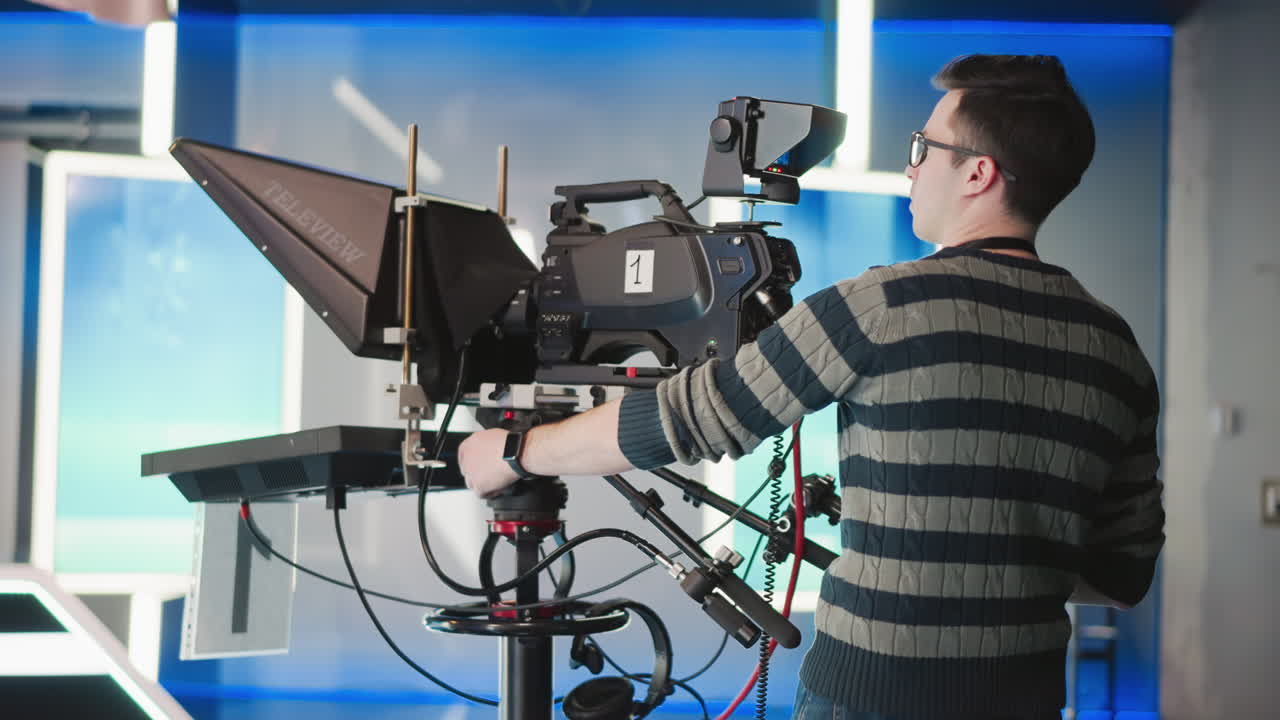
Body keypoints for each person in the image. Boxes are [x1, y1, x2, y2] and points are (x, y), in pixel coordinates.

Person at [458, 54, 1165, 720]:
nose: (911, 169)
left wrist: (514, 452)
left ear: (978, 173)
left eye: (923, 148)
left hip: (871, 695)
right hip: (1028, 699)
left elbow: (685, 420)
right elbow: (1121, 576)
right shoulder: (1116, 350)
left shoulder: (885, 307)